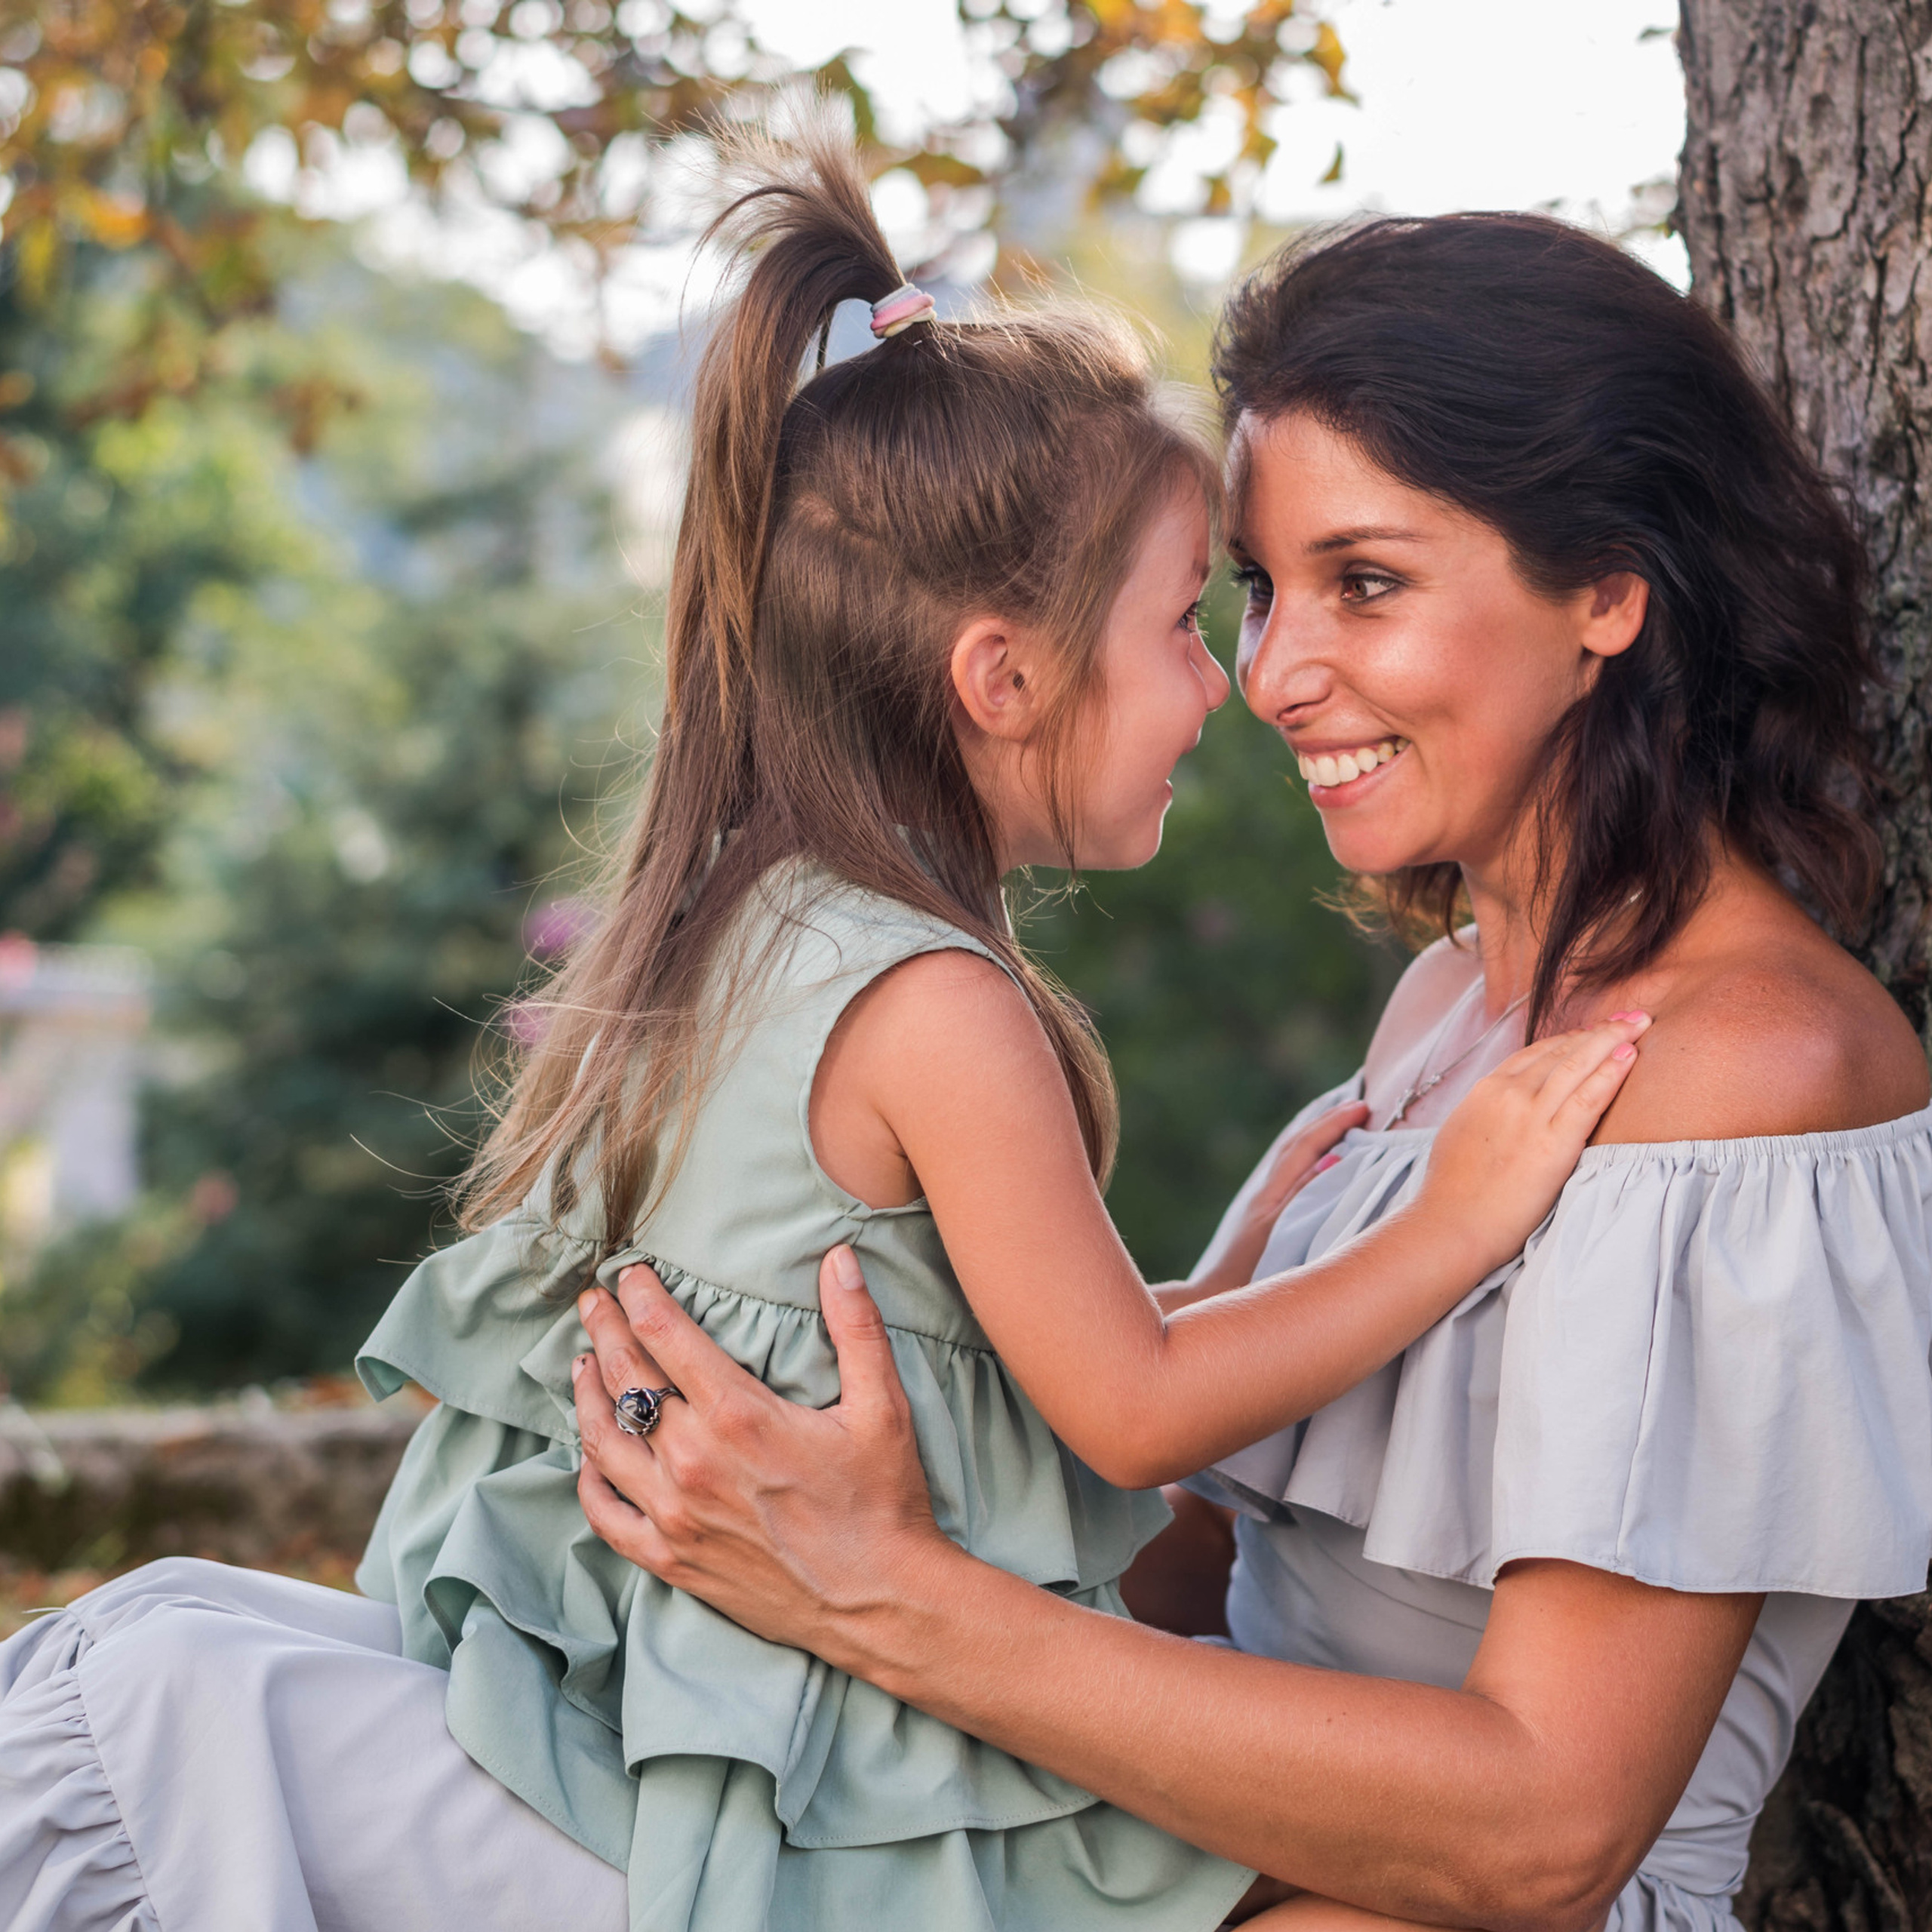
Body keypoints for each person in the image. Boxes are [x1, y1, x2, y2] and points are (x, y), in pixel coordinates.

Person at [0, 148, 1644, 1932]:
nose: (1227, 683)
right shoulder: (934, 1004)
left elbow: (962, 1360)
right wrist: (1451, 1223)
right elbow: (1123, 1415)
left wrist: (1229, 1274)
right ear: (1002, 677)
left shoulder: (762, 916)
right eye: (1184, 619)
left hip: (661, 1682)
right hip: (798, 1746)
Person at [562, 213, 1932, 1932]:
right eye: (1258, 590)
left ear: (1605, 589)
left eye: (1364, 581)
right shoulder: (1442, 1009)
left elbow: (1539, 1830)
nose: (1274, 674)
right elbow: (1203, 1594)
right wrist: (808, 1468)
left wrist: (882, 1593)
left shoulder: (1744, 1071)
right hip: (1192, 1864)